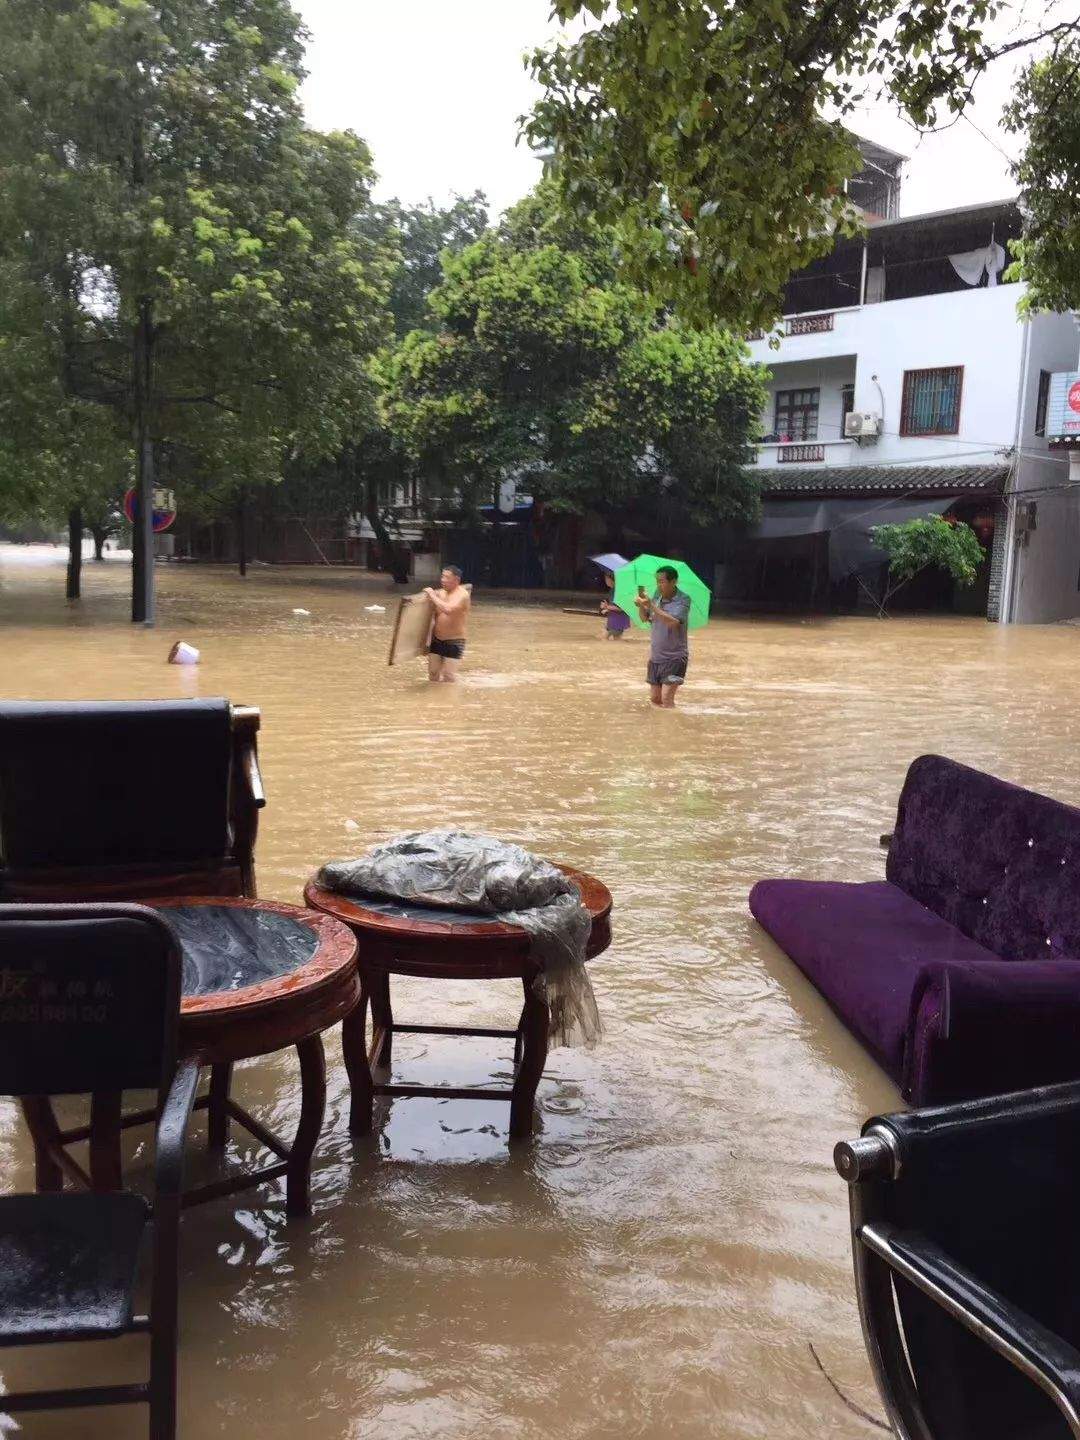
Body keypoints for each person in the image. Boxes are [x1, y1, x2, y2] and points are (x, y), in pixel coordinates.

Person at [635, 564, 690, 708]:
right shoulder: (656, 597)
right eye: (657, 581)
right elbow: (644, 619)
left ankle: (672, 729)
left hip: (674, 657)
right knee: (655, 699)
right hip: (656, 657)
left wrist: (651, 606)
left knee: (666, 699)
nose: (659, 585)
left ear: (673, 582)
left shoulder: (683, 600)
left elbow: (673, 623)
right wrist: (641, 605)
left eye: (662, 581)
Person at [424, 565, 471, 683]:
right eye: (442, 576)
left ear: (456, 580)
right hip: (437, 639)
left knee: (449, 676)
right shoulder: (440, 593)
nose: (443, 580)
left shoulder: (463, 595)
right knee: (433, 674)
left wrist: (433, 595)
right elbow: (429, 617)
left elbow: (448, 609)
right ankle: (434, 700)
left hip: (454, 640)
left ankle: (450, 700)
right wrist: (425, 641)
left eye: (447, 577)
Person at [599, 571, 630, 640]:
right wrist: (606, 608)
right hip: (614, 620)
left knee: (609, 638)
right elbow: (614, 605)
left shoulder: (619, 591)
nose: (606, 581)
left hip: (618, 621)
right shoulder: (613, 590)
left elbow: (621, 608)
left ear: (612, 579)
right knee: (612, 639)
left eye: (606, 579)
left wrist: (606, 607)